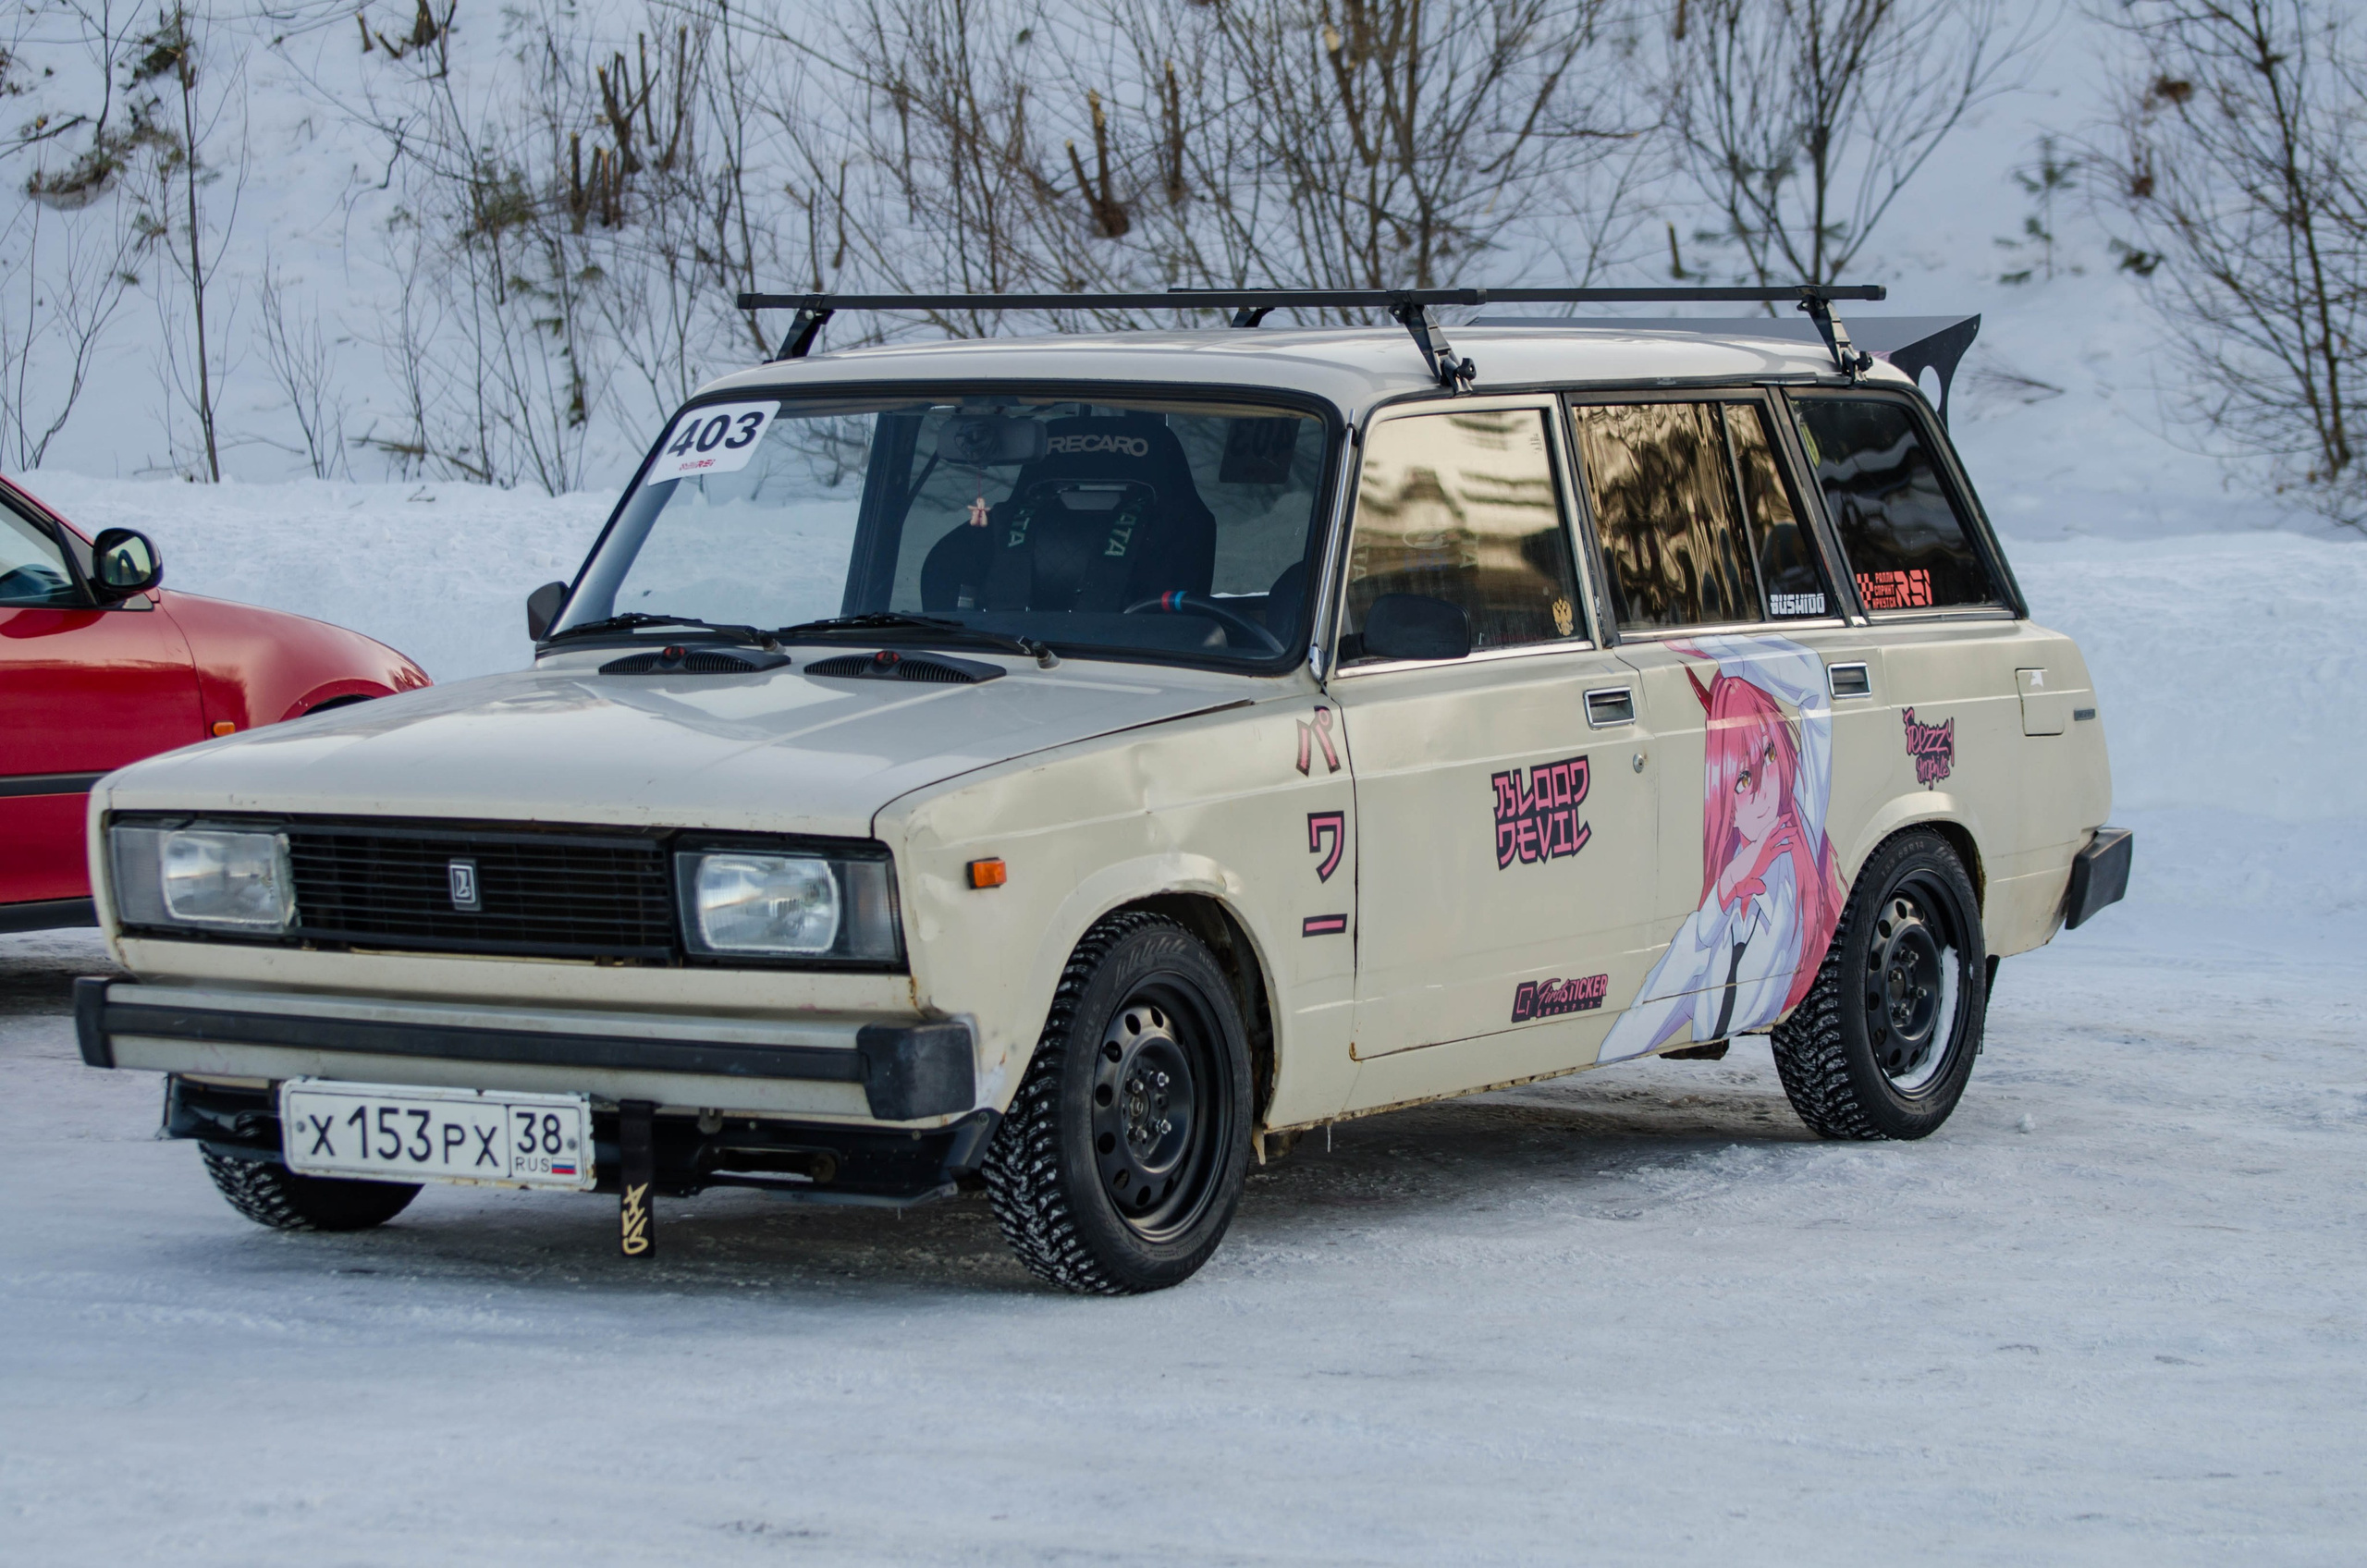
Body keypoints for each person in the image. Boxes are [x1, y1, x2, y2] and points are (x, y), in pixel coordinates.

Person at [1597, 633, 1845, 1063]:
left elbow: (1814, 689)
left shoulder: (1799, 830)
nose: (1766, 785)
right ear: (1725, 804)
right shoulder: (1712, 923)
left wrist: (1716, 645)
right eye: (1744, 780)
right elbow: (1621, 1041)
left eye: (1769, 754)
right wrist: (1726, 889)